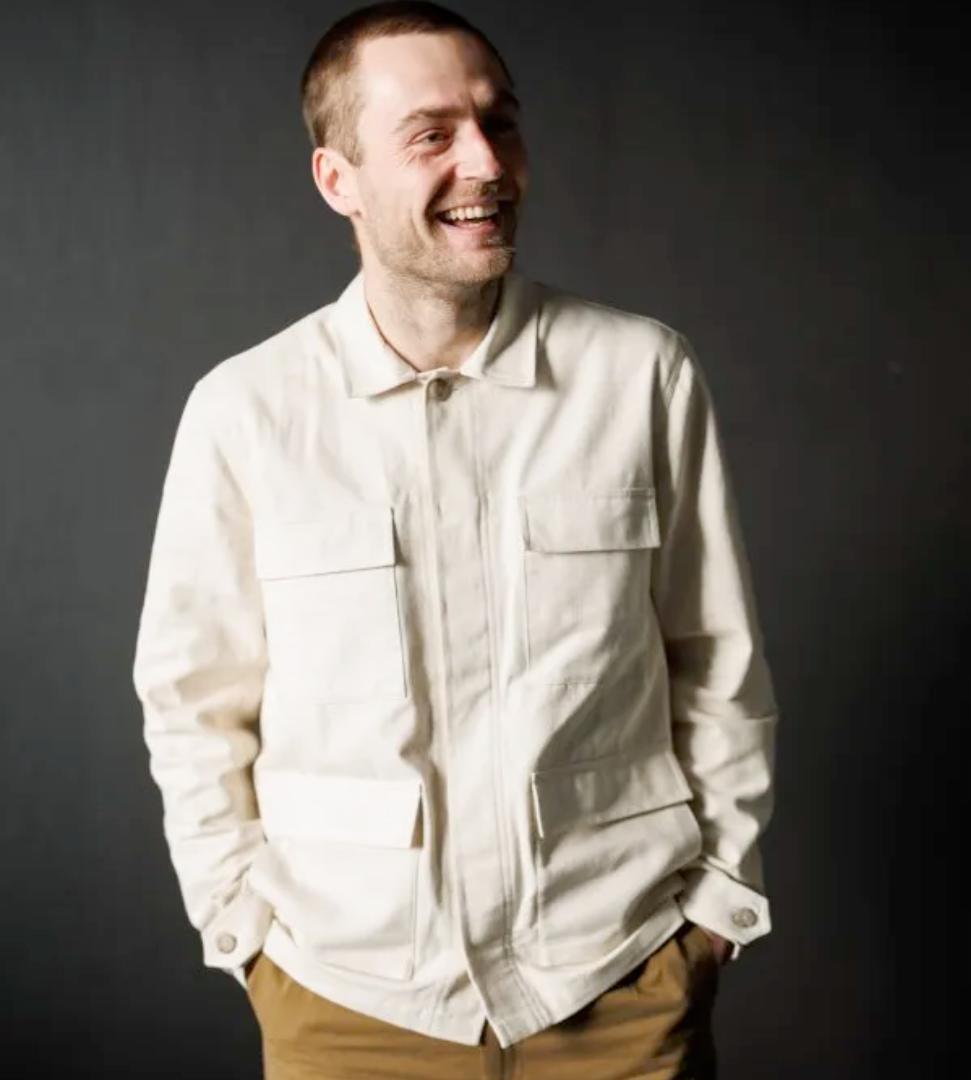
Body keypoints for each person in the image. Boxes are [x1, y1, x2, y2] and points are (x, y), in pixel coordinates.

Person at [132, 2, 779, 1077]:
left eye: (499, 123)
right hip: (347, 1002)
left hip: (620, 984)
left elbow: (717, 663)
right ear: (337, 179)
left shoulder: (641, 375)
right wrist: (242, 930)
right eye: (431, 134)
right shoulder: (245, 412)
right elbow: (193, 700)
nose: (486, 163)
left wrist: (714, 910)